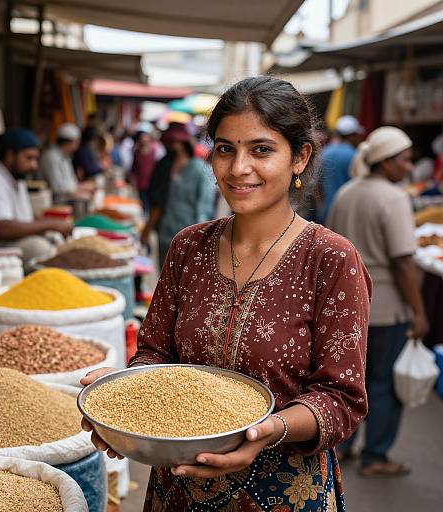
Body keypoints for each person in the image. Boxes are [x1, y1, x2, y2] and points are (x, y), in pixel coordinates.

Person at [81, 76, 371, 511]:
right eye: (225, 149)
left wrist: (267, 430)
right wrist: (124, 403)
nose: (238, 168)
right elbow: (155, 354)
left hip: (283, 493)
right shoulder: (188, 248)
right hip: (177, 488)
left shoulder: (330, 259)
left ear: (300, 157)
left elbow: (342, 397)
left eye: (261, 149)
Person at [327, 126, 429, 477]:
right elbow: (403, 261)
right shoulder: (393, 197)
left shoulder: (347, 192)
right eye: (404, 159)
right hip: (385, 308)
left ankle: (341, 447)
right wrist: (418, 311)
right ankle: (376, 456)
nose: (408, 166)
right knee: (383, 384)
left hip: (347, 307)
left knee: (349, 381)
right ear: (386, 162)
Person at [0, 128, 72, 263]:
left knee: (57, 241)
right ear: (10, 156)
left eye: (35, 159)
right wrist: (50, 224)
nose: (34, 165)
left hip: (13, 245)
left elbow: (27, 220)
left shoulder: (17, 179)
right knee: (40, 248)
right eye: (29, 158)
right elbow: (3, 229)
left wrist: (50, 225)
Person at [141, 123, 216, 268]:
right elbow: (157, 200)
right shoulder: (164, 165)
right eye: (169, 142)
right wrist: (148, 228)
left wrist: (200, 239)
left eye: (175, 142)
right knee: (165, 278)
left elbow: (204, 207)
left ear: (183, 143)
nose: (171, 146)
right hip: (165, 233)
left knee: (187, 280)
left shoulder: (200, 170)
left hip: (191, 236)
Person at [317, 115, 364, 223]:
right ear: (352, 136)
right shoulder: (354, 155)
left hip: (326, 211)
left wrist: (321, 205)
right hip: (347, 213)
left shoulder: (325, 152)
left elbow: (316, 185)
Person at [40, 123, 94, 201]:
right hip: (55, 202)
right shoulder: (51, 156)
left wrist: (81, 187)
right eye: (76, 142)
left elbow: (70, 182)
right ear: (68, 142)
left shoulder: (65, 156)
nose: (78, 145)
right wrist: (81, 188)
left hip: (66, 199)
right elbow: (57, 187)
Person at [130, 129, 160, 212]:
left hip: (152, 184)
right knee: (143, 204)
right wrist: (133, 182)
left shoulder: (155, 151)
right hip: (141, 184)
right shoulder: (136, 152)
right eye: (142, 137)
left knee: (151, 204)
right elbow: (134, 169)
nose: (144, 139)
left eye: (146, 137)